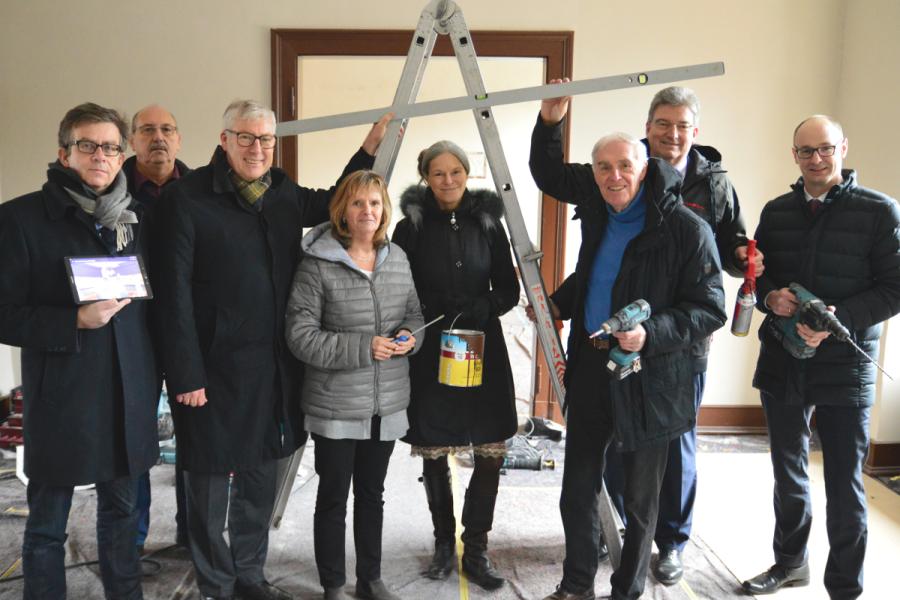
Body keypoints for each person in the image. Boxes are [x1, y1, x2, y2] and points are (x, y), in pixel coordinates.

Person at [154, 100, 391, 600]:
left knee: (262, 476)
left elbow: (334, 199)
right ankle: (216, 583)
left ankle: (249, 575)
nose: (257, 148)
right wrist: (185, 375)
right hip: (211, 368)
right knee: (209, 482)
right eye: (246, 137)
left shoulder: (281, 191)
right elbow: (172, 295)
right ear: (224, 140)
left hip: (273, 367)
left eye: (266, 139)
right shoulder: (187, 198)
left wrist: (369, 148)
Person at [529, 92, 726, 600]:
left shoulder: (687, 229)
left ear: (644, 168)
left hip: (652, 376)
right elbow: (596, 277)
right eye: (602, 168)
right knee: (578, 489)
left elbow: (709, 309)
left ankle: (627, 591)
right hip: (592, 368)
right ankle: (576, 585)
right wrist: (557, 303)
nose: (613, 176)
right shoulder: (598, 215)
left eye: (623, 166)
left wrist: (649, 334)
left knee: (641, 502)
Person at [600, 85, 764, 585]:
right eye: (663, 124)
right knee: (617, 435)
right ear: (647, 127)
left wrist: (742, 257)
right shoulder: (627, 170)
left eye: (682, 126)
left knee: (676, 441)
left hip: (684, 339)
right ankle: (631, 527)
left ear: (696, 131)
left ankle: (671, 541)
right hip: (626, 333)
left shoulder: (714, 183)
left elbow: (734, 243)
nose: (672, 134)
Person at [0, 102, 159, 599]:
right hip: (62, 394)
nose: (101, 156)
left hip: (126, 392)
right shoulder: (20, 219)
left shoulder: (135, 220)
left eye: (111, 147)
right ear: (64, 152)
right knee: (48, 522)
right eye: (88, 145)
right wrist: (73, 319)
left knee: (122, 513)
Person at [742, 115, 900, 599]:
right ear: (794, 156)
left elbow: (894, 289)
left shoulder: (881, 212)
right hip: (783, 360)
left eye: (825, 149)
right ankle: (790, 564)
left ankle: (845, 588)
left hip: (845, 368)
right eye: (806, 151)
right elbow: (759, 276)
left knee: (844, 486)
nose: (816, 159)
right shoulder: (776, 211)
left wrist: (839, 318)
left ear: (843, 149)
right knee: (787, 474)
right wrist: (770, 298)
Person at [285, 170, 423, 600]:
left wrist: (411, 337)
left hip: (386, 402)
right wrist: (365, 348)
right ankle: (332, 584)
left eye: (376, 203)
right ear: (342, 208)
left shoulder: (397, 257)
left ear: (385, 210)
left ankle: (370, 579)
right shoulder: (317, 263)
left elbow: (415, 314)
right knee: (332, 497)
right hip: (336, 405)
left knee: (372, 495)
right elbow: (300, 335)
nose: (368, 211)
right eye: (359, 203)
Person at [392, 140, 520, 591]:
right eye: (438, 173)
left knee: (488, 449)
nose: (448, 180)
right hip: (430, 347)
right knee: (432, 445)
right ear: (425, 176)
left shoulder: (488, 222)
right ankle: (444, 543)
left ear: (468, 174)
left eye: (456, 172)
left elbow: (508, 287)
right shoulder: (409, 225)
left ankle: (477, 546)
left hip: (482, 344)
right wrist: (427, 309)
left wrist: (484, 306)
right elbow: (396, 284)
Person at [124, 103, 190, 552]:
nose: (158, 137)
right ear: (133, 140)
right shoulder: (111, 188)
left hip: (191, 336)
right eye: (148, 130)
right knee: (134, 441)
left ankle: (194, 536)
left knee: (198, 442)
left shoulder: (203, 189)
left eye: (167, 129)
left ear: (179, 138)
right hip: (132, 338)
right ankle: (132, 540)